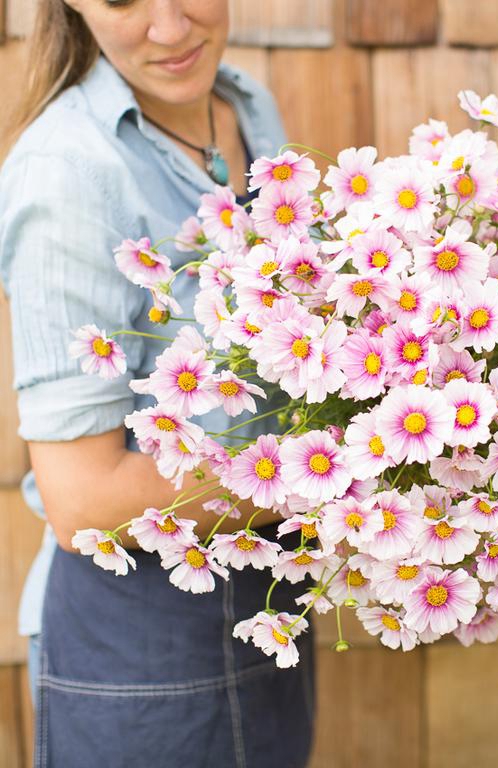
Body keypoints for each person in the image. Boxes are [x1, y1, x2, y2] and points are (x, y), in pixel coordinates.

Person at [0, 1, 315, 766]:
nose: (171, 29)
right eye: (123, 0)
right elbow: (82, 501)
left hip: (270, 599)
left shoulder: (246, 107)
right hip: (137, 642)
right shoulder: (69, 171)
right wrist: (328, 479)